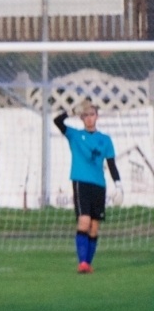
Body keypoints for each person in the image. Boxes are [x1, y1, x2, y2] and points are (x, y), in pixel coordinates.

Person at [54, 100, 121, 273]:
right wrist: (71, 111)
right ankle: (82, 263)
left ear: (97, 116)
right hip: (81, 183)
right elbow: (57, 122)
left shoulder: (105, 140)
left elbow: (111, 164)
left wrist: (119, 186)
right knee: (84, 222)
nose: (89, 118)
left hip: (99, 185)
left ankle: (87, 264)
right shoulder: (75, 135)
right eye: (86, 115)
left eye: (92, 114)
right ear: (82, 118)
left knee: (94, 227)